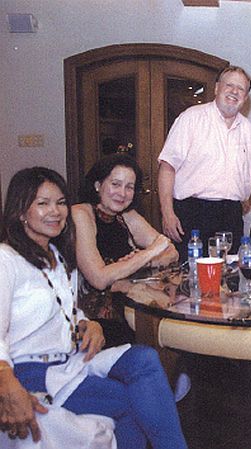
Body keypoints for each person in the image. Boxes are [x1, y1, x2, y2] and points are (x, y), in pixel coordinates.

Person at [0, 167, 187, 448]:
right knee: (130, 400)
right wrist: (7, 384)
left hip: (69, 360)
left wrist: (89, 322)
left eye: (61, 203)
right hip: (29, 372)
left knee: (144, 359)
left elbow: (66, 309)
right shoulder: (7, 260)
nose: (56, 211)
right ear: (21, 211)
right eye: (43, 203)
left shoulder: (55, 256)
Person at [158, 65, 251, 259]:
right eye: (229, 85)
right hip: (192, 214)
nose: (234, 91)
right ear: (217, 88)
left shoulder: (248, 129)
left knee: (229, 279)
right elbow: (167, 166)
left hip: (231, 216)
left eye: (241, 89)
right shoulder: (191, 118)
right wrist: (167, 213)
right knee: (189, 277)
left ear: (245, 97)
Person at [73, 153, 178, 347]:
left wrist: (144, 260)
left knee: (175, 329)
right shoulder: (81, 213)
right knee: (162, 338)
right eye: (115, 184)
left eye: (129, 187)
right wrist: (147, 253)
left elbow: (171, 251)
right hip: (93, 320)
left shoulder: (127, 216)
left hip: (129, 305)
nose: (122, 193)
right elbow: (99, 278)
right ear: (98, 185)